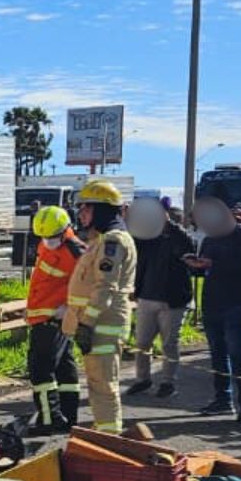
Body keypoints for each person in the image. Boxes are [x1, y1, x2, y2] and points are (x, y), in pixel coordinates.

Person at [63, 180, 138, 433]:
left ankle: (109, 437)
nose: (81, 213)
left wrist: (86, 323)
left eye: (86, 208)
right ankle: (105, 431)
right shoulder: (102, 240)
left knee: (104, 384)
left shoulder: (112, 242)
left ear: (102, 210)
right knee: (97, 382)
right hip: (96, 324)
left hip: (102, 325)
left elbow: (105, 288)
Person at [184, 199, 241, 422]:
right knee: (218, 354)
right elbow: (205, 267)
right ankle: (222, 399)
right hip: (212, 301)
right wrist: (195, 265)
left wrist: (212, 264)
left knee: (238, 355)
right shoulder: (209, 239)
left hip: (237, 301)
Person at [23, 205, 86, 434]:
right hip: (44, 315)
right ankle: (68, 417)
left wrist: (69, 307)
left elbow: (90, 283)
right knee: (63, 368)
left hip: (55, 318)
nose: (47, 241)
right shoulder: (48, 243)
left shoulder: (75, 251)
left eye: (52, 237)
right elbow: (43, 282)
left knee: (41, 370)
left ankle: (49, 420)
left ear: (65, 229)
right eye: (44, 237)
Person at [127, 196, 193, 399]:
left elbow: (188, 254)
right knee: (142, 342)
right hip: (147, 295)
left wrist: (169, 227)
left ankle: (167, 382)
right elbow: (138, 259)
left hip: (173, 299)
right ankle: (142, 379)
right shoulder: (146, 236)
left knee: (169, 344)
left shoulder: (180, 235)